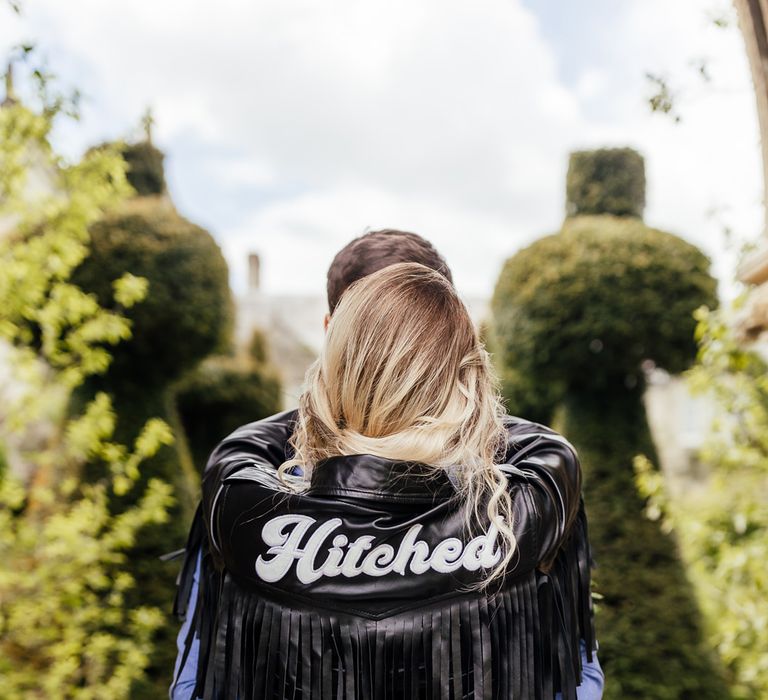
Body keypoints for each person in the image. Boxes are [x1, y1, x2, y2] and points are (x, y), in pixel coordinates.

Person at [170, 231, 604, 699]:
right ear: (453, 349)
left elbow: (197, 679)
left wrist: (323, 409)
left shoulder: (243, 499)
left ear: (333, 345)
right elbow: (576, 679)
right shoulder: (525, 501)